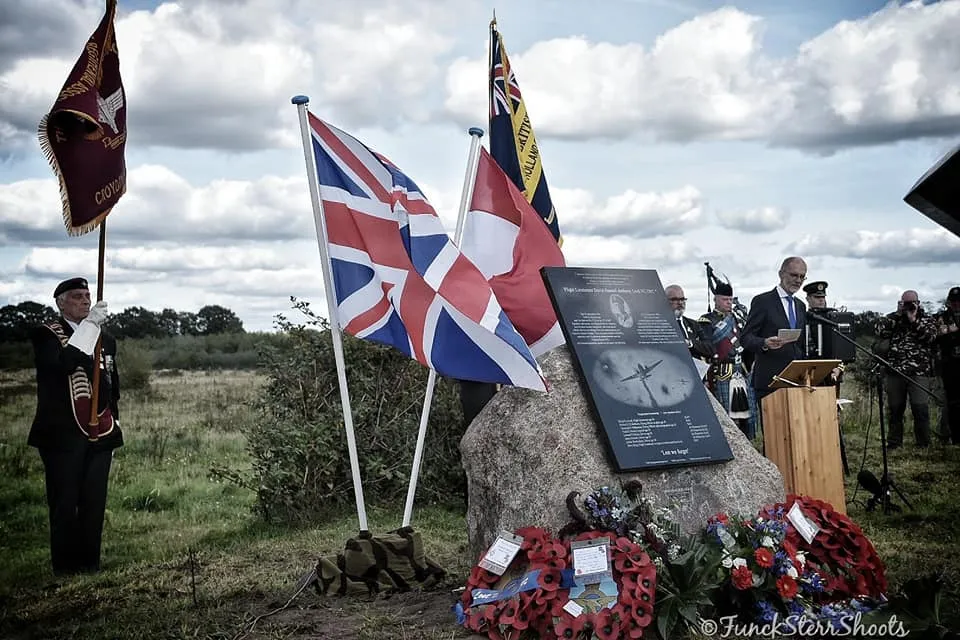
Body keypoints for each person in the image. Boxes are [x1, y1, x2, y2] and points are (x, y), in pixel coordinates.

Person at [29, 277, 123, 575]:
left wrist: (114, 420)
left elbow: (112, 384)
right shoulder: (46, 335)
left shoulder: (105, 339)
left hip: (100, 433)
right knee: (65, 504)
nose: (85, 301)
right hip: (61, 436)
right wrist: (88, 328)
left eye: (87, 295)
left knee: (94, 503)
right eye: (77, 297)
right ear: (61, 303)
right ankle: (65, 571)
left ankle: (90, 566)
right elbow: (63, 364)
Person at [873, 290, 938, 449]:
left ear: (918, 303)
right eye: (905, 302)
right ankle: (894, 443)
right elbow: (879, 330)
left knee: (920, 408)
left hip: (919, 372)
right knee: (895, 409)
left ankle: (923, 444)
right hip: (895, 371)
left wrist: (913, 320)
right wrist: (898, 314)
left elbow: (930, 337)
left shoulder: (927, 319)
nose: (908, 306)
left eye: (911, 303)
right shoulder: (894, 319)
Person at [741, 257, 808, 403]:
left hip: (796, 381)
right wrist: (764, 342)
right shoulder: (763, 301)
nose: (798, 280)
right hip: (770, 382)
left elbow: (800, 344)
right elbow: (746, 338)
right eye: (794, 275)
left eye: (802, 277)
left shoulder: (800, 306)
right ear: (781, 274)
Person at [698, 279, 756, 438]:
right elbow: (707, 347)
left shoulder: (736, 319)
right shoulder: (706, 321)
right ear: (716, 299)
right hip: (722, 372)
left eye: (730, 300)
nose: (729, 303)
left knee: (746, 414)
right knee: (727, 415)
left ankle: (749, 442)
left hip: (740, 372)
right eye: (725, 299)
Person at [935, 286, 960, 445]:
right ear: (949, 303)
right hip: (950, 366)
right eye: (954, 302)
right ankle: (954, 437)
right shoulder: (942, 317)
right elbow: (939, 335)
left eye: (959, 302)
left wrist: (951, 331)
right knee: (953, 403)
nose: (957, 304)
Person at [665, 284, 713, 362]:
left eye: (682, 299)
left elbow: (710, 349)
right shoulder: (658, 324)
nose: (680, 303)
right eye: (675, 299)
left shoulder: (693, 324)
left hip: (692, 370)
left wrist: (690, 343)